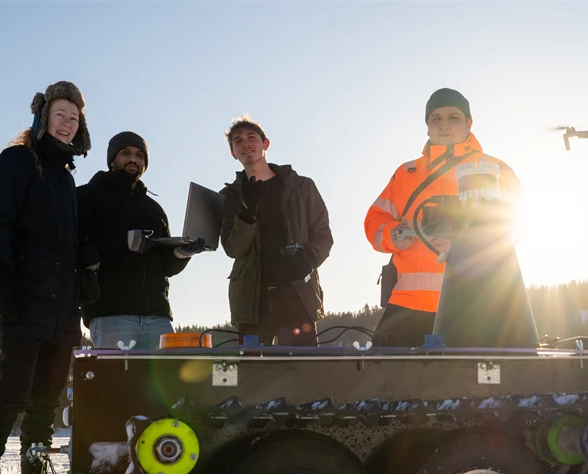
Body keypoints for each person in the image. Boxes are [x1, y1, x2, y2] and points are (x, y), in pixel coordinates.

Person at [0, 81, 92, 474]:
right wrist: (0, 280)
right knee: (14, 390)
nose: (67, 124)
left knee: (47, 398)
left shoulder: (67, 179)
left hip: (63, 305)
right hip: (23, 296)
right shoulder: (18, 161)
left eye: (74, 118)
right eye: (60, 115)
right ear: (42, 118)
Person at [364, 88, 521, 346]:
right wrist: (394, 236)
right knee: (384, 380)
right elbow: (374, 220)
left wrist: (466, 243)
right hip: (407, 305)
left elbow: (519, 222)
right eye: (435, 119)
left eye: (453, 118)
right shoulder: (406, 173)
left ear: (469, 123)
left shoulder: (494, 170)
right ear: (427, 127)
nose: (444, 126)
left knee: (472, 383)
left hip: (474, 304)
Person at [77, 131, 205, 349]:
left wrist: (183, 253)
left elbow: (166, 267)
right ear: (112, 160)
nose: (133, 159)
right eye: (125, 153)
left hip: (157, 315)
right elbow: (76, 247)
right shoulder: (87, 197)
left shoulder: (154, 209)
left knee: (161, 382)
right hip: (111, 312)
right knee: (117, 381)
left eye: (139, 155)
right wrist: (123, 242)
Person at [220, 116, 333, 345]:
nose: (246, 144)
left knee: (303, 372)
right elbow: (233, 248)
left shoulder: (301, 187)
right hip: (252, 300)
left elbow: (323, 235)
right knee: (251, 375)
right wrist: (247, 215)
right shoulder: (229, 197)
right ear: (233, 152)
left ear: (266, 143)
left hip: (297, 294)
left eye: (252, 137)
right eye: (238, 141)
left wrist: (309, 259)